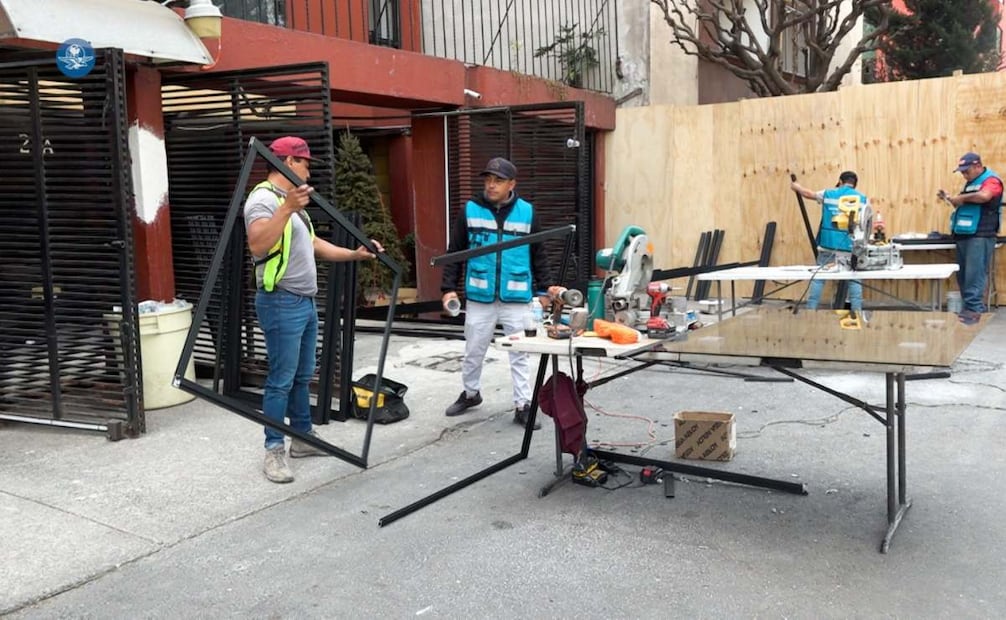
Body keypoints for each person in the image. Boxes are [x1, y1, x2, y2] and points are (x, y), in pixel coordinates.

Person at [244, 136, 384, 483]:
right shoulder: (263, 199)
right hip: (280, 301)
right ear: (288, 162)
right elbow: (258, 244)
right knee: (280, 380)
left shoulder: (291, 203)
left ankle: (302, 438)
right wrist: (287, 208)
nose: (309, 170)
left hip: (304, 302)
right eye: (305, 162)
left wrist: (355, 254)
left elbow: (314, 244)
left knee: (302, 376)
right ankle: (273, 449)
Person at [440, 157, 562, 430]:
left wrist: (544, 290)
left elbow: (538, 253)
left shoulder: (528, 213)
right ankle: (471, 394)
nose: (491, 185)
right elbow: (455, 253)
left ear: (512, 184)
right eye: (488, 179)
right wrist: (448, 289)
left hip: (516, 298)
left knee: (519, 353)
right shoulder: (470, 210)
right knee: (473, 349)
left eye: (497, 180)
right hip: (480, 296)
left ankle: (523, 404)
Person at [938, 152, 1003, 325]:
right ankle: (968, 320)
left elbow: (984, 196)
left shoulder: (991, 180)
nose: (964, 175)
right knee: (964, 278)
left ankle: (975, 320)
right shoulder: (972, 183)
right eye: (962, 172)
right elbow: (965, 203)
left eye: (966, 171)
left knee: (974, 279)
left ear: (977, 166)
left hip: (980, 236)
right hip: (965, 236)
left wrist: (960, 198)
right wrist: (950, 198)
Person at [790, 171, 866, 312]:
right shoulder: (862, 199)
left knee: (819, 279)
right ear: (855, 184)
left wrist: (797, 187)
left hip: (828, 246)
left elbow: (808, 194)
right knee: (854, 280)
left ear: (840, 181)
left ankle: (811, 311)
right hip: (850, 248)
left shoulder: (829, 194)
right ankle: (857, 312)